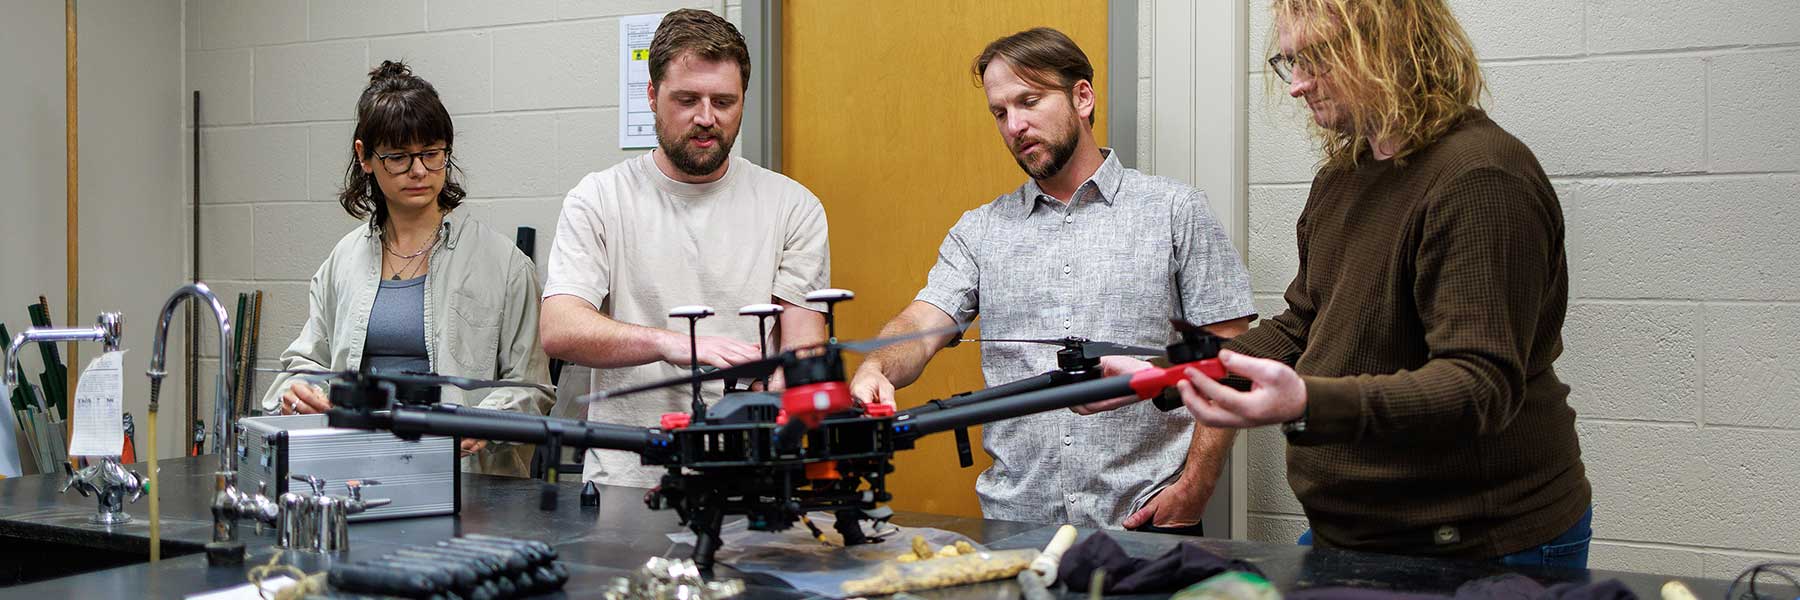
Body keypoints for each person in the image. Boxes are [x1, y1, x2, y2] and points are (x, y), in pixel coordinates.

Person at [1099, 0, 1594, 567]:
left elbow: (1478, 385)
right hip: (1359, 528)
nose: (1297, 85)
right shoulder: (1344, 175)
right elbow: (1305, 324)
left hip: (1479, 541)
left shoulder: (1479, 177)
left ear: (1387, 44)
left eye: (1317, 59)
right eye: (1290, 62)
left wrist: (1306, 403)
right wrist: (1169, 376)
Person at [848, 28, 1257, 531]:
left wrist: (1195, 488)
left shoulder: (1175, 210)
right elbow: (922, 321)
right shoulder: (980, 229)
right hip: (1017, 526)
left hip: (1145, 519)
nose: (1014, 125)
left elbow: (1231, 353)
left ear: (1082, 97)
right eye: (1000, 112)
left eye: (1029, 101)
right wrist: (877, 368)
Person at [538, 9, 830, 488]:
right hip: (626, 480)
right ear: (652, 97)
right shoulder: (599, 198)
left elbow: (803, 344)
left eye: (724, 101)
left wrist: (784, 385)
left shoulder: (792, 206)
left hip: (748, 480)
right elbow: (559, 328)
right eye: (687, 99)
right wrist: (675, 344)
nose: (706, 118)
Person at [262, 61, 553, 478]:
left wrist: (483, 421)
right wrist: (295, 393)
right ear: (365, 157)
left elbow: (533, 389)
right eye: (398, 157)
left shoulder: (504, 265)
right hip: (357, 474)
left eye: (432, 154)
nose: (419, 171)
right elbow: (305, 365)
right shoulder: (342, 262)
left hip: (465, 485)